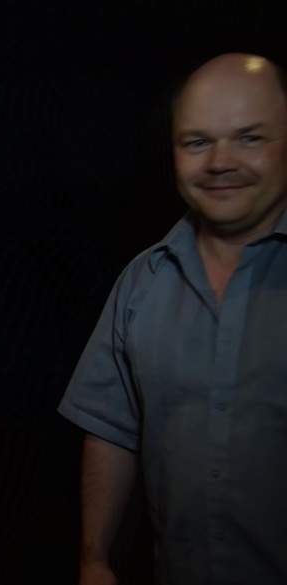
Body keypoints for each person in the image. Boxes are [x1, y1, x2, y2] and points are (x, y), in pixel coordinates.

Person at [58, 53, 287, 585]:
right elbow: (110, 429)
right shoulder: (142, 282)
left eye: (250, 138)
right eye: (197, 142)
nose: (221, 162)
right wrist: (94, 558)